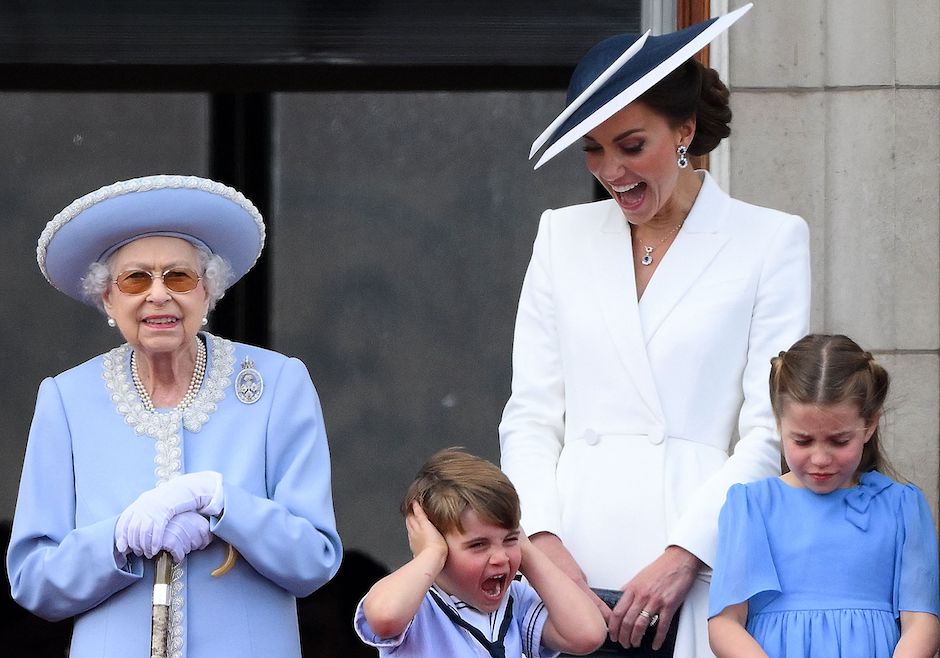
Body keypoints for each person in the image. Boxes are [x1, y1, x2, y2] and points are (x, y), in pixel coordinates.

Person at [499, 4, 811, 656]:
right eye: (593, 150)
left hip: (696, 560)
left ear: (684, 130)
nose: (612, 171)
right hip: (571, 566)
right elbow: (530, 415)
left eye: (631, 145)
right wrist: (545, 544)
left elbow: (768, 429)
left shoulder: (770, 241)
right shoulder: (561, 235)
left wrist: (685, 554)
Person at [6, 174, 343, 657]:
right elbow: (33, 580)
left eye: (179, 277)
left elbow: (314, 560)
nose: (158, 295)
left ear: (208, 292)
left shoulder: (277, 385)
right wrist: (118, 537)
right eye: (135, 279)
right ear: (108, 298)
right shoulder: (66, 399)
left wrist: (225, 504)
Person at [708, 334, 940, 657]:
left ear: (869, 424)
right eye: (803, 441)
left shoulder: (902, 506)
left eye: (839, 441)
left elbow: (921, 622)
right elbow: (725, 623)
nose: (820, 458)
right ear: (778, 424)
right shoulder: (751, 506)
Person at [354, 447, 607, 656]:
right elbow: (384, 617)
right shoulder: (417, 605)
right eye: (478, 545)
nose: (500, 558)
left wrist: (526, 550)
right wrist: (430, 553)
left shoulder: (516, 601)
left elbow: (587, 634)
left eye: (509, 539)